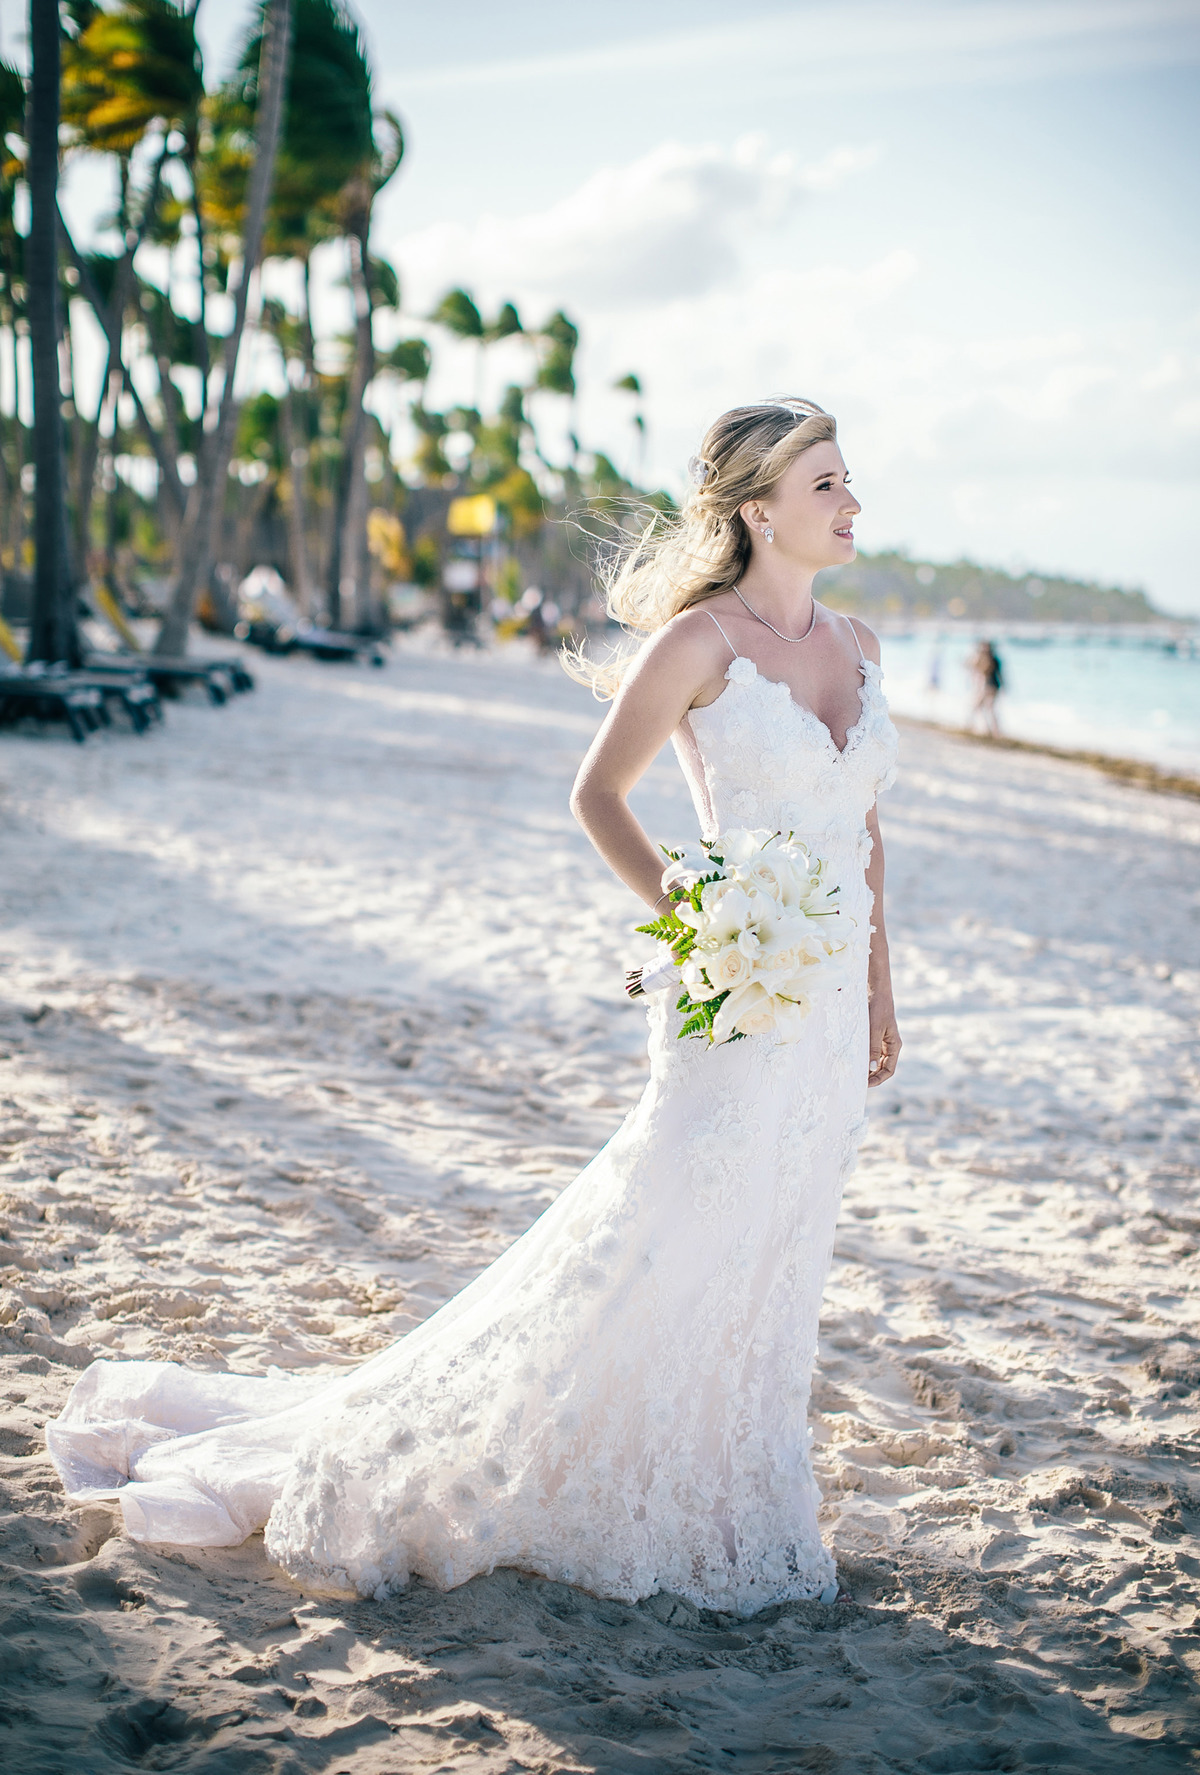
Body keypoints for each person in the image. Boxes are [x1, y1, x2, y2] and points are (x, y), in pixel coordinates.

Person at [46, 398, 901, 1617]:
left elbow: (863, 832)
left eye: (847, 477)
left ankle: (736, 1485)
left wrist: (879, 986)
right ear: (760, 509)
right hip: (733, 992)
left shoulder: (861, 646)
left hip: (821, 1014)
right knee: (670, 1219)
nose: (852, 501)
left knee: (778, 1241)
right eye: (827, 483)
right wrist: (694, 921)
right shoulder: (701, 645)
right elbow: (598, 794)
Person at [970, 639, 1003, 736]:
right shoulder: (995, 659)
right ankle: (993, 730)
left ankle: (988, 729)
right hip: (994, 686)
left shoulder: (985, 659)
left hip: (987, 686)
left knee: (980, 707)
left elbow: (975, 670)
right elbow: (1000, 675)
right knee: (988, 708)